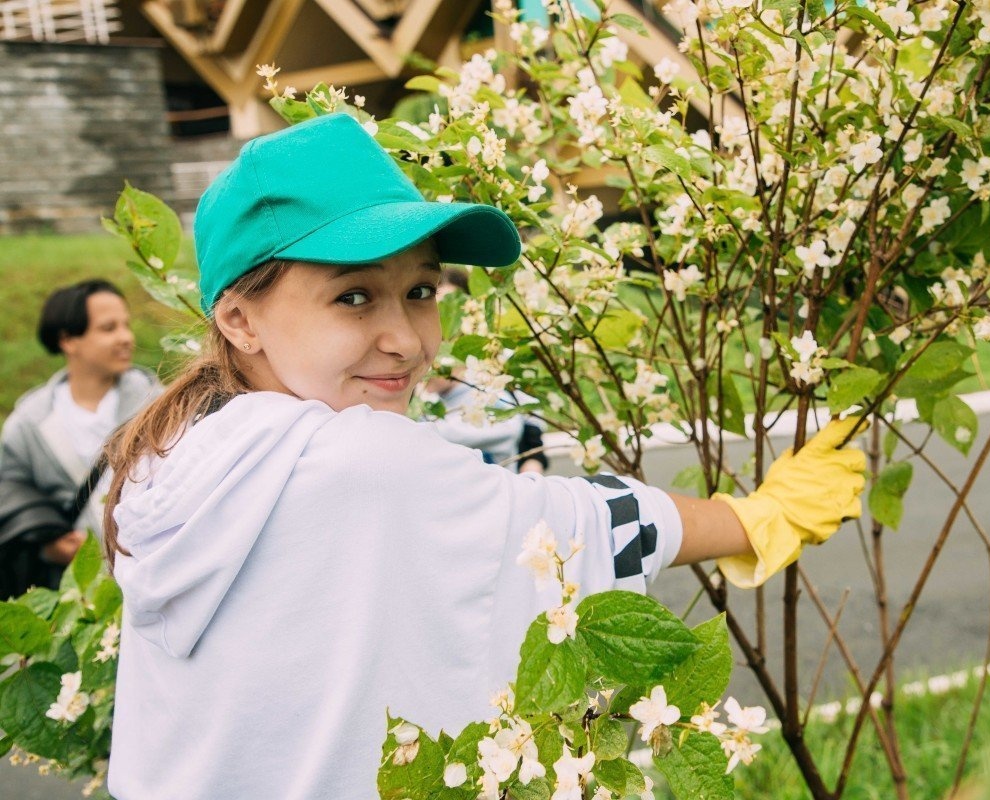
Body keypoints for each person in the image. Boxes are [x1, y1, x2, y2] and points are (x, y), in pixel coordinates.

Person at [102, 113, 867, 799]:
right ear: (239, 318)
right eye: (354, 297)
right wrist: (760, 516)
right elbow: (568, 529)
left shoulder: (176, 450)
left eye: (423, 290)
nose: (406, 339)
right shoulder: (357, 461)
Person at [0, 280, 160, 598]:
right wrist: (48, 544)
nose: (126, 337)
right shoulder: (30, 422)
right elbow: (8, 486)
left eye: (126, 325)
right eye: (108, 328)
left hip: (153, 583)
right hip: (77, 598)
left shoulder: (161, 405)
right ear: (68, 340)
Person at [423, 267, 549, 474]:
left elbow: (532, 442)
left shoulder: (498, 364)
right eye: (436, 308)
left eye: (455, 305)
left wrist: (528, 485)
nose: (445, 316)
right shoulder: (416, 371)